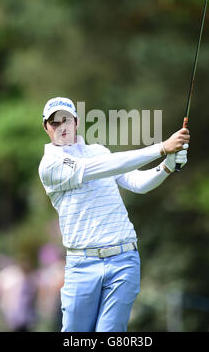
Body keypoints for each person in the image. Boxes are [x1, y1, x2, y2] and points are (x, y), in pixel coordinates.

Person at [38, 96, 190, 332]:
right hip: (82, 265)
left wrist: (167, 166)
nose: (61, 126)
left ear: (76, 122)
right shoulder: (50, 165)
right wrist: (161, 147)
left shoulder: (99, 151)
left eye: (65, 119)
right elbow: (100, 168)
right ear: (46, 127)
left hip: (123, 259)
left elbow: (137, 182)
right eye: (54, 122)